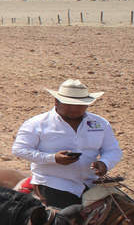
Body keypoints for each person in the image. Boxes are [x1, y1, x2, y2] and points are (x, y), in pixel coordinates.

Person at [12, 79, 122, 208]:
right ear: (56, 102)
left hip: (92, 182)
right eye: (69, 104)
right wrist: (53, 158)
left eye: (80, 105)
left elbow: (113, 150)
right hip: (53, 182)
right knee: (66, 222)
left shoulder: (100, 123)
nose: (74, 109)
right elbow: (19, 149)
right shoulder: (37, 123)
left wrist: (105, 163)